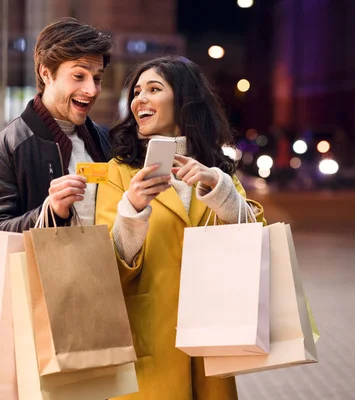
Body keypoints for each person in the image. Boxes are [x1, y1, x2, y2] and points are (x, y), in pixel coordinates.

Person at [96, 56, 267, 400]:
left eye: (154, 89)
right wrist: (133, 209)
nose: (139, 99)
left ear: (184, 99)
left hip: (211, 341)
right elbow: (104, 266)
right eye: (137, 91)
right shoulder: (119, 171)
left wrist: (221, 193)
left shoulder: (219, 172)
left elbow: (256, 247)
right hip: (149, 342)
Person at [0, 18, 112, 264]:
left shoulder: (105, 141)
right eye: (79, 76)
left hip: (103, 289)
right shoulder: (5, 148)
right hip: (38, 296)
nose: (92, 90)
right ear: (46, 73)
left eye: (97, 78)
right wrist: (49, 213)